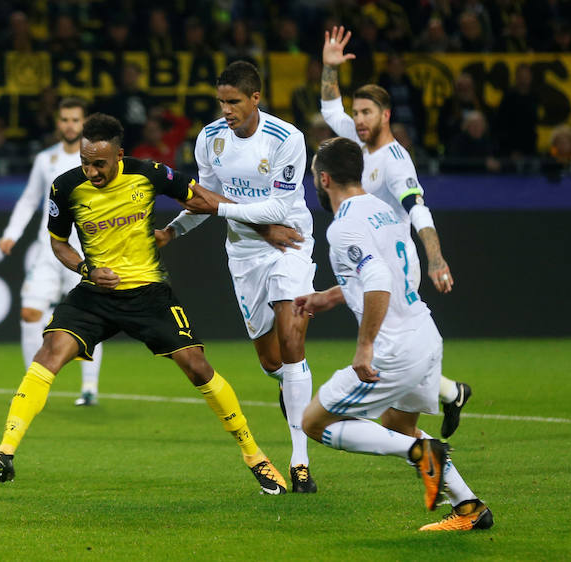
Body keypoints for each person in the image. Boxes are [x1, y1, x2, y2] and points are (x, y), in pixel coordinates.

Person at [0, 113, 292, 495]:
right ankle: (4, 452)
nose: (92, 171)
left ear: (120, 155)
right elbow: (58, 242)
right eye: (85, 162)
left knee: (197, 367)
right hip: (95, 293)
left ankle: (254, 455)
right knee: (49, 353)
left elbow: (203, 199)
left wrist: (264, 227)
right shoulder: (65, 187)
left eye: (100, 163)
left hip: (149, 292)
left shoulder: (148, 173)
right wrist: (85, 268)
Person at [297, 136, 494, 532]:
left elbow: (378, 279)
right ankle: (470, 507)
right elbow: (397, 272)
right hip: (425, 334)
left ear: (324, 179)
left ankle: (421, 453)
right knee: (398, 425)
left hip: (392, 350)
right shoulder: (385, 212)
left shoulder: (343, 227)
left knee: (313, 423)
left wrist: (365, 347)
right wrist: (331, 297)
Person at [155, 61, 319, 493]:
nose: (226, 110)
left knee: (291, 335)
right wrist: (172, 231)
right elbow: (202, 200)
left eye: (234, 102)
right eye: (221, 102)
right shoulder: (210, 139)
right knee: (271, 362)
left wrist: (220, 208)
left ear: (255, 99)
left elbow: (279, 212)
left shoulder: (287, 139)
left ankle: (300, 462)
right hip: (244, 253)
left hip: (291, 242)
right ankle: (294, 387)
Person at [320, 26, 471, 438]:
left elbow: (417, 211)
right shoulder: (356, 140)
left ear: (386, 115)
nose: (358, 120)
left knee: (386, 352)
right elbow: (331, 109)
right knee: (400, 413)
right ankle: (449, 392)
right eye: (357, 113)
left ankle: (431, 394)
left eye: (367, 113)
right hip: (370, 258)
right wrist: (329, 67)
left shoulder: (395, 160)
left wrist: (436, 258)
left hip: (391, 263)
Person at [0, 98, 103, 406]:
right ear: (58, 123)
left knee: (89, 318)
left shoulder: (97, 158)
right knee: (30, 313)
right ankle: (33, 385)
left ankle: (89, 388)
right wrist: (11, 234)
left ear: (84, 123)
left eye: (75, 119)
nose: (69, 124)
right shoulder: (46, 160)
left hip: (84, 251)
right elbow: (30, 200)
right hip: (49, 248)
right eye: (64, 119)